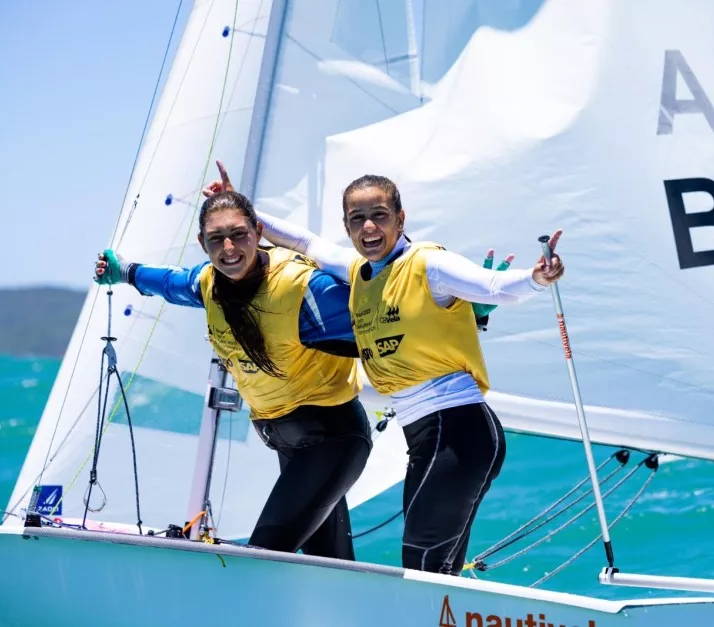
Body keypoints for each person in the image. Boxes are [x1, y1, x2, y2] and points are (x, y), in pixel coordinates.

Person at [211, 165, 566, 575]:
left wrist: (538, 277)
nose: (368, 227)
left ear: (400, 218)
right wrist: (245, 214)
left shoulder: (428, 264)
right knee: (433, 570)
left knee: (421, 566)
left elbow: (492, 287)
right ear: (347, 226)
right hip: (428, 436)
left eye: (379, 215)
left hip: (458, 430)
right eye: (356, 219)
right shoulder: (359, 271)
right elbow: (304, 241)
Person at [93, 189, 371, 561]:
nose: (229, 248)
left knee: (262, 556)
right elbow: (170, 284)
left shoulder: (306, 289)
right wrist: (125, 272)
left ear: (258, 231)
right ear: (202, 243)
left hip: (332, 439)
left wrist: (465, 307)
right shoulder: (209, 283)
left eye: (239, 234)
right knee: (331, 568)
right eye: (216, 239)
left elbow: (385, 311)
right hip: (289, 443)